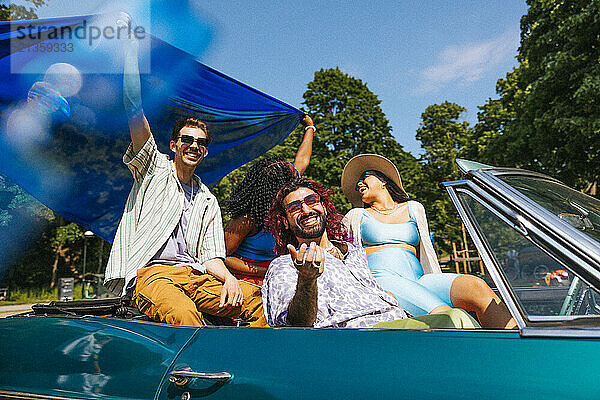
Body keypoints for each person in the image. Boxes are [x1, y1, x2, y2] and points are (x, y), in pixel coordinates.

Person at [103, 35, 266, 327]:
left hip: (195, 275)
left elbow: (212, 258)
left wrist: (229, 279)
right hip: (153, 274)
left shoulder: (207, 199)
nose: (194, 145)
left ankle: (254, 369)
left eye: (201, 142)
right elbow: (133, 108)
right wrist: (130, 52)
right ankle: (196, 374)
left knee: (257, 301)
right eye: (187, 139)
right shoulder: (153, 170)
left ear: (205, 151)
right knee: (184, 315)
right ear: (174, 145)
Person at [262, 178, 479, 329]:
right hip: (361, 340)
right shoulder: (285, 265)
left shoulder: (355, 253)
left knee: (468, 305)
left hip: (397, 324)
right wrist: (307, 280)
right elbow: (295, 326)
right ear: (285, 222)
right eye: (295, 208)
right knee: (454, 320)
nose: (307, 210)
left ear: (325, 208)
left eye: (311, 201)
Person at [341, 154, 516, 329]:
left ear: (383, 180)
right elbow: (343, 255)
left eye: (364, 177)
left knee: (476, 286)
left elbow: (426, 251)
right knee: (447, 315)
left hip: (419, 278)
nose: (359, 184)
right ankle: (489, 353)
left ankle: (521, 344)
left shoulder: (414, 208)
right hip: (383, 279)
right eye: (358, 183)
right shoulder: (356, 216)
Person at [224, 116, 315, 286]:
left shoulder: (285, 203)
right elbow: (223, 257)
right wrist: (268, 270)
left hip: (281, 276)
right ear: (272, 191)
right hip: (249, 281)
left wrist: (310, 127)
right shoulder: (247, 219)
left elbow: (302, 161)